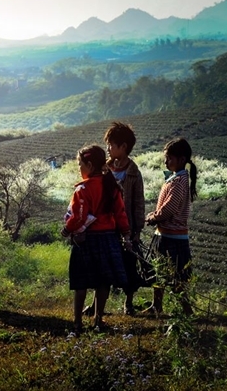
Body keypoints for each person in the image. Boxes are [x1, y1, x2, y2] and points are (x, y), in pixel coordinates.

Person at [61, 145, 133, 333]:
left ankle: (77, 323)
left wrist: (67, 229)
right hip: (108, 239)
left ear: (90, 165)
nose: (79, 168)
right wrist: (126, 234)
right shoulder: (112, 186)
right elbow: (121, 213)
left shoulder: (82, 189)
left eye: (80, 164)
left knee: (81, 282)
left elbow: (78, 218)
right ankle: (98, 321)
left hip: (87, 241)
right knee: (103, 282)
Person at [83, 121, 146, 316]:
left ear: (123, 147)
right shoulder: (104, 169)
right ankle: (96, 305)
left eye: (111, 145)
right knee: (102, 267)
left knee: (128, 266)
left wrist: (136, 231)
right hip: (106, 228)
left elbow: (138, 204)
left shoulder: (134, 173)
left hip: (126, 227)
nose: (108, 149)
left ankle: (128, 303)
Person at [143, 137, 197, 316]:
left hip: (171, 236)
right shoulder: (177, 179)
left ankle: (186, 310)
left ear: (181, 160)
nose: (166, 161)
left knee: (175, 276)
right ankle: (156, 306)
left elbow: (169, 209)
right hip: (168, 234)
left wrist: (153, 217)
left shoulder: (178, 182)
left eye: (170, 158)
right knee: (162, 272)